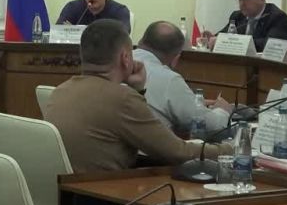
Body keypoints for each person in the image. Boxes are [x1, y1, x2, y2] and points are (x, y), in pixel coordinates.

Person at [45, 19, 227, 172]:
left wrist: (138, 91)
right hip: (108, 195)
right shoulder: (121, 99)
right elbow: (177, 152)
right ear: (125, 58)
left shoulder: (60, 91)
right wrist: (229, 150)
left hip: (71, 194)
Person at [133, 21, 233, 137]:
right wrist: (223, 111)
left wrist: (194, 101)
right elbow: (210, 125)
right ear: (175, 59)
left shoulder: (121, 61)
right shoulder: (169, 79)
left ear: (141, 41)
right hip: (152, 147)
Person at [209, 0, 287, 52]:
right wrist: (211, 39)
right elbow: (222, 36)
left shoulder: (278, 18)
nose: (242, 3)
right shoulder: (237, 16)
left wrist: (232, 43)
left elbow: (270, 46)